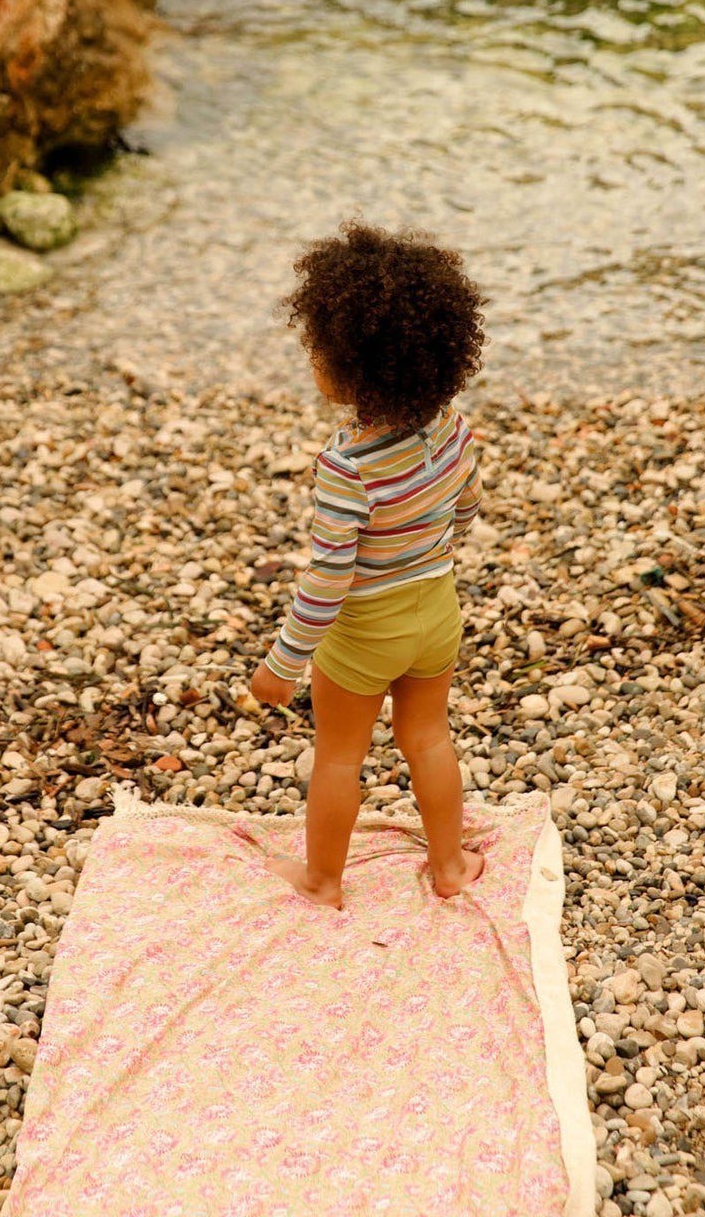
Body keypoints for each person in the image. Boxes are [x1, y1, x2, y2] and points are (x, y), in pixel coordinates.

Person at [250, 220, 486, 910]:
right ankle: (449, 865)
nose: (310, 359)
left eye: (316, 348)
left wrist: (283, 663)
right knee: (429, 738)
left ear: (351, 367)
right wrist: (432, 548)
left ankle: (323, 880)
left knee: (339, 756)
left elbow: (329, 578)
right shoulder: (452, 426)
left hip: (363, 634)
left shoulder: (346, 467)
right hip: (436, 613)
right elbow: (466, 506)